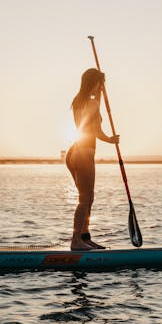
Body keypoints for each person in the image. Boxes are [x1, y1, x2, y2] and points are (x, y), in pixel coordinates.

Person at [66, 68, 119, 250]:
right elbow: (95, 131)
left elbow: (90, 120)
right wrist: (111, 140)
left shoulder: (78, 101)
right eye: (100, 83)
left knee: (89, 198)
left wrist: (100, 93)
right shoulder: (93, 104)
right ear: (94, 83)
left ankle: (84, 237)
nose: (101, 87)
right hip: (84, 153)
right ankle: (75, 240)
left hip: (74, 153)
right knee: (85, 198)